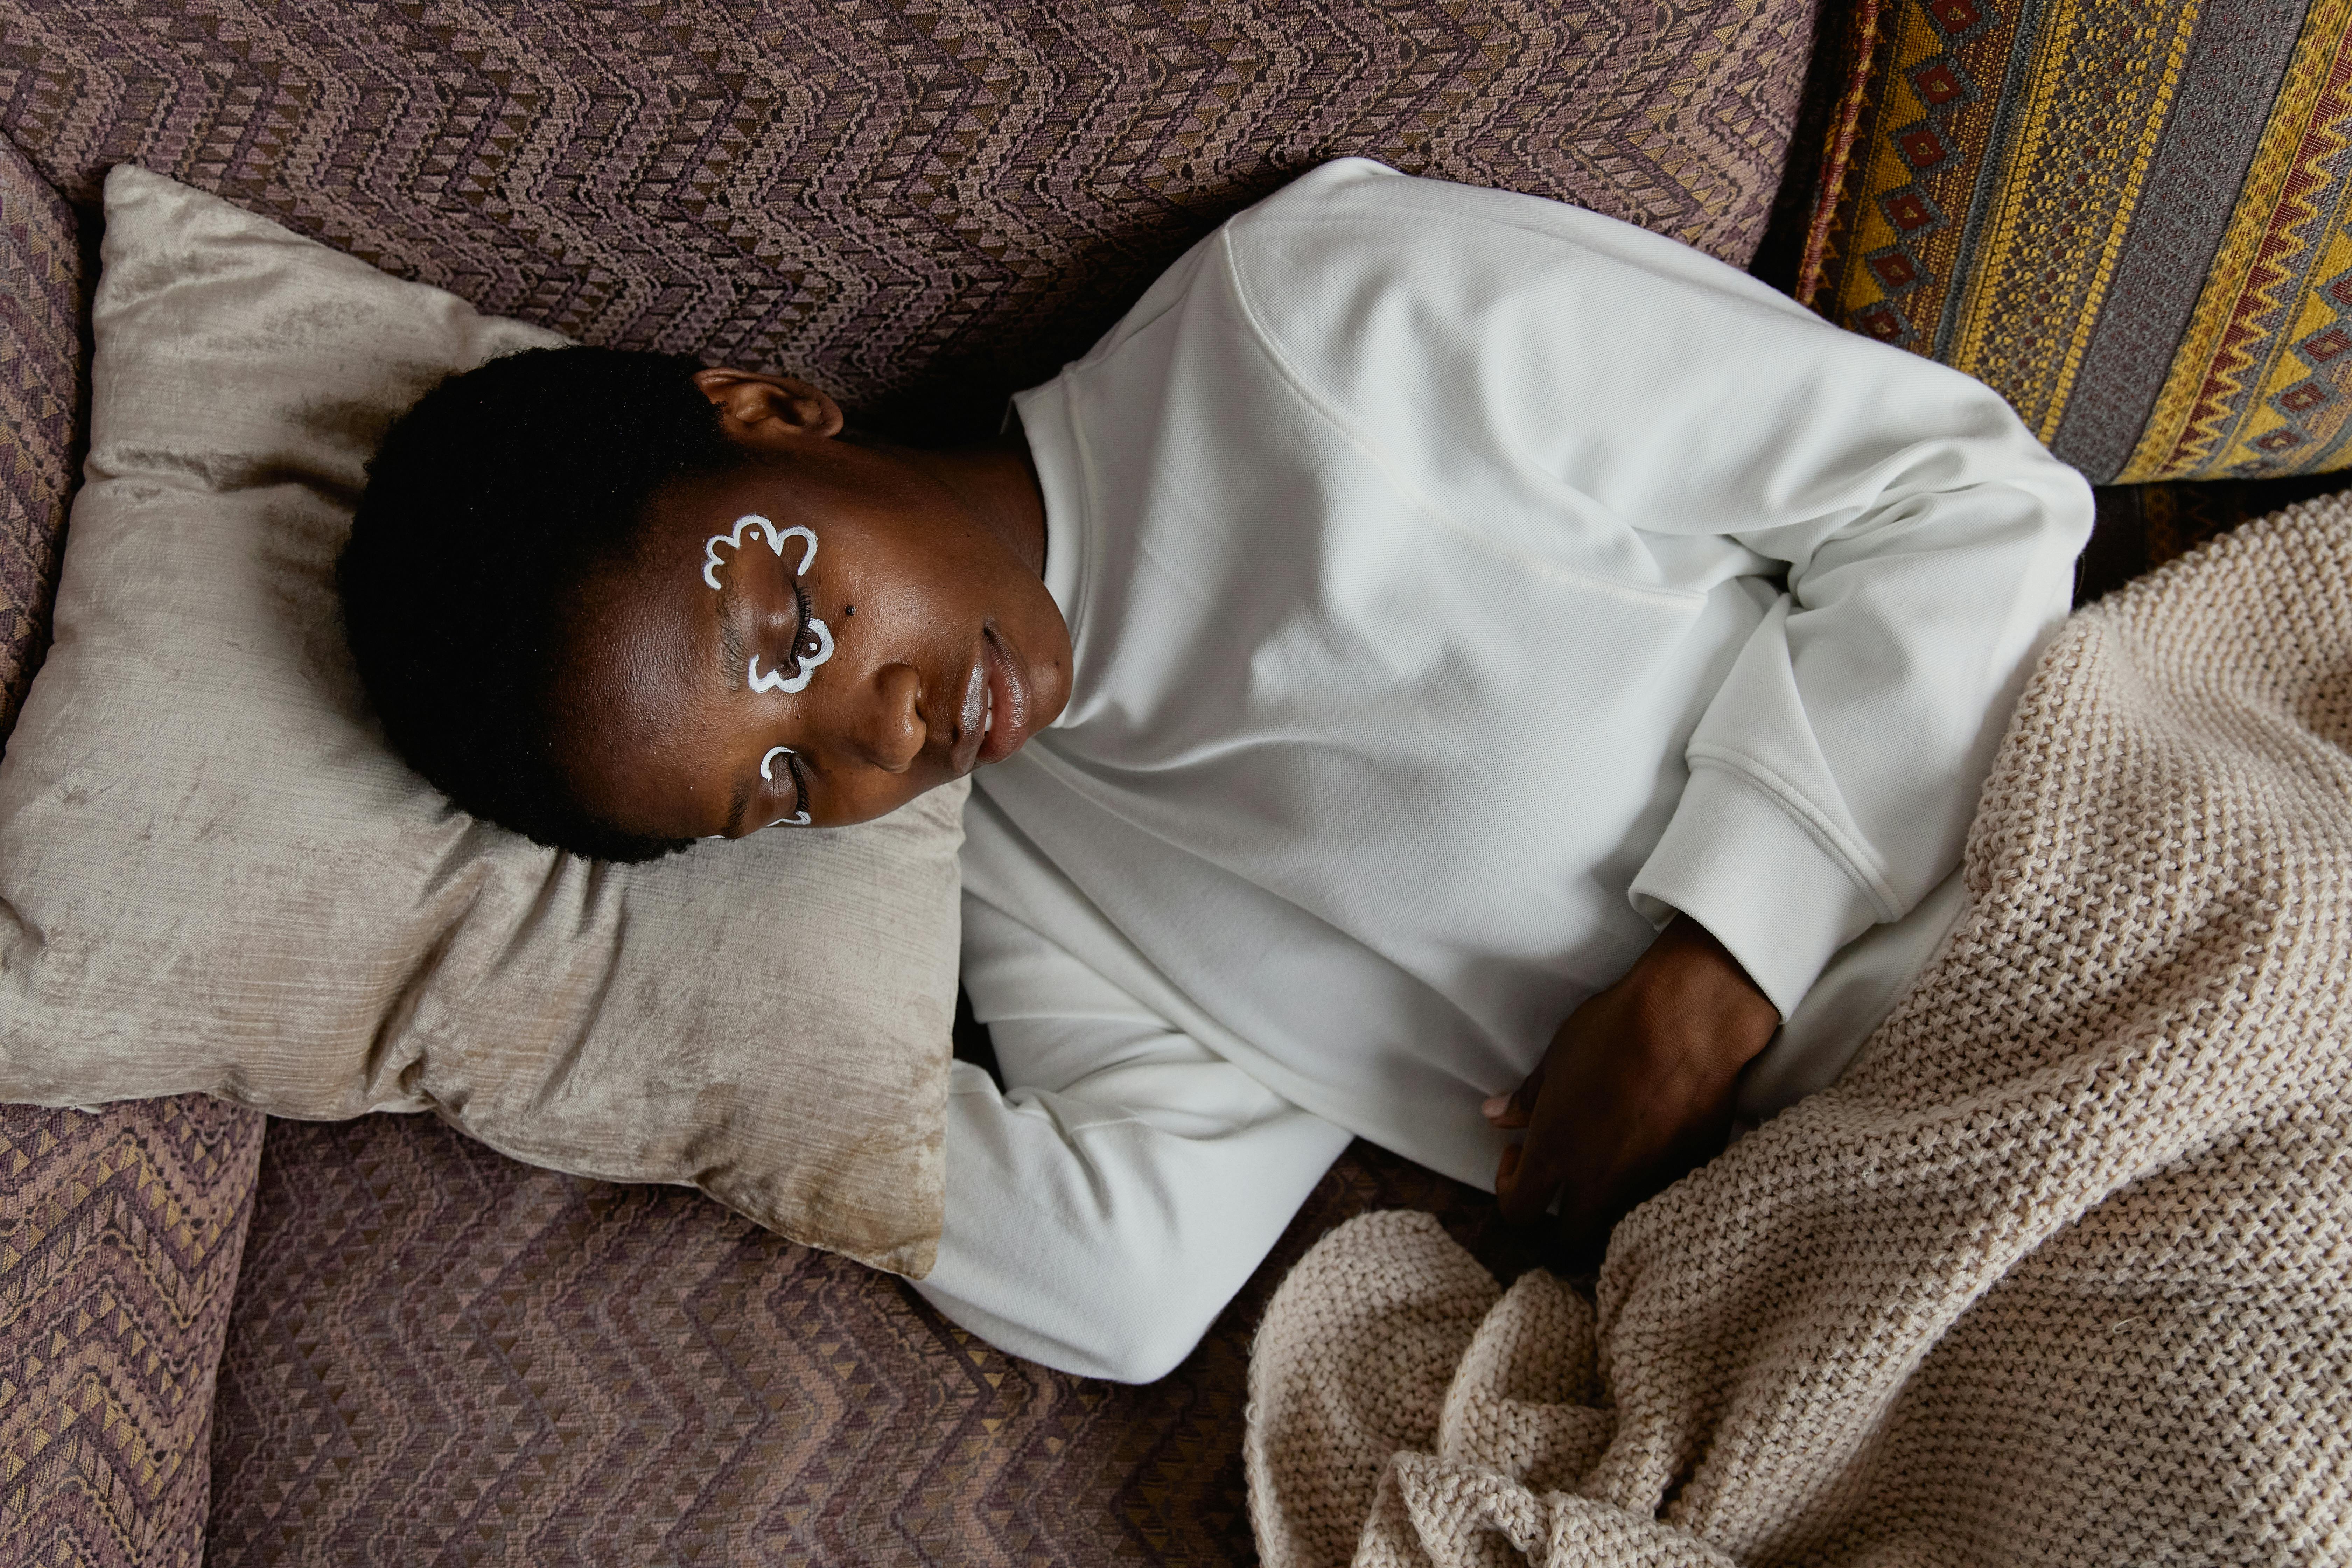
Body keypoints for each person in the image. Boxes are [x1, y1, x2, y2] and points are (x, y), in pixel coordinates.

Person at [340, 159, 2092, 1382]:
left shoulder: (1322, 319)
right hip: (1868, 1251)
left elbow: (1966, 498)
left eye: (792, 626)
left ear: (782, 412)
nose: (873, 733)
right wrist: (615, 1014)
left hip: (2085, 906)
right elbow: (1125, 1275)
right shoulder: (1026, 860)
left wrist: (1718, 973)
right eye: (784, 790)